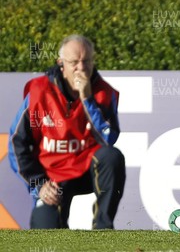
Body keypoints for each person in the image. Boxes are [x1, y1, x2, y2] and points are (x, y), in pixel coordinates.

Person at [8, 34, 126, 229]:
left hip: (88, 171)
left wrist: (88, 99)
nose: (81, 67)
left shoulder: (103, 92)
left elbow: (108, 138)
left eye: (86, 61)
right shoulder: (39, 92)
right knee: (45, 233)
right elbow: (17, 142)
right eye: (74, 62)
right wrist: (39, 185)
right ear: (61, 65)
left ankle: (103, 229)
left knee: (112, 157)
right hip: (53, 177)